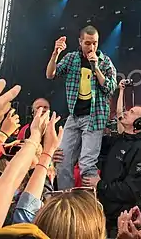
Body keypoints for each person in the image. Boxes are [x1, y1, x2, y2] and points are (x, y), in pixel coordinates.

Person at [46, 25, 117, 190]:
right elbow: (50, 74)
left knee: (86, 164)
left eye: (95, 43)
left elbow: (110, 88)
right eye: (87, 43)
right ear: (80, 41)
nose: (91, 47)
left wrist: (96, 67)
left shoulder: (105, 61)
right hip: (74, 117)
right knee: (62, 162)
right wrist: (55, 53)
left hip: (94, 118)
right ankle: (66, 200)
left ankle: (88, 205)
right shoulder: (71, 59)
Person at [83, 80, 141, 236]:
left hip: (124, 223)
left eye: (133, 112)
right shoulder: (117, 141)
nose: (127, 112)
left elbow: (131, 190)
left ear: (139, 123)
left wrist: (100, 184)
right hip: (105, 218)